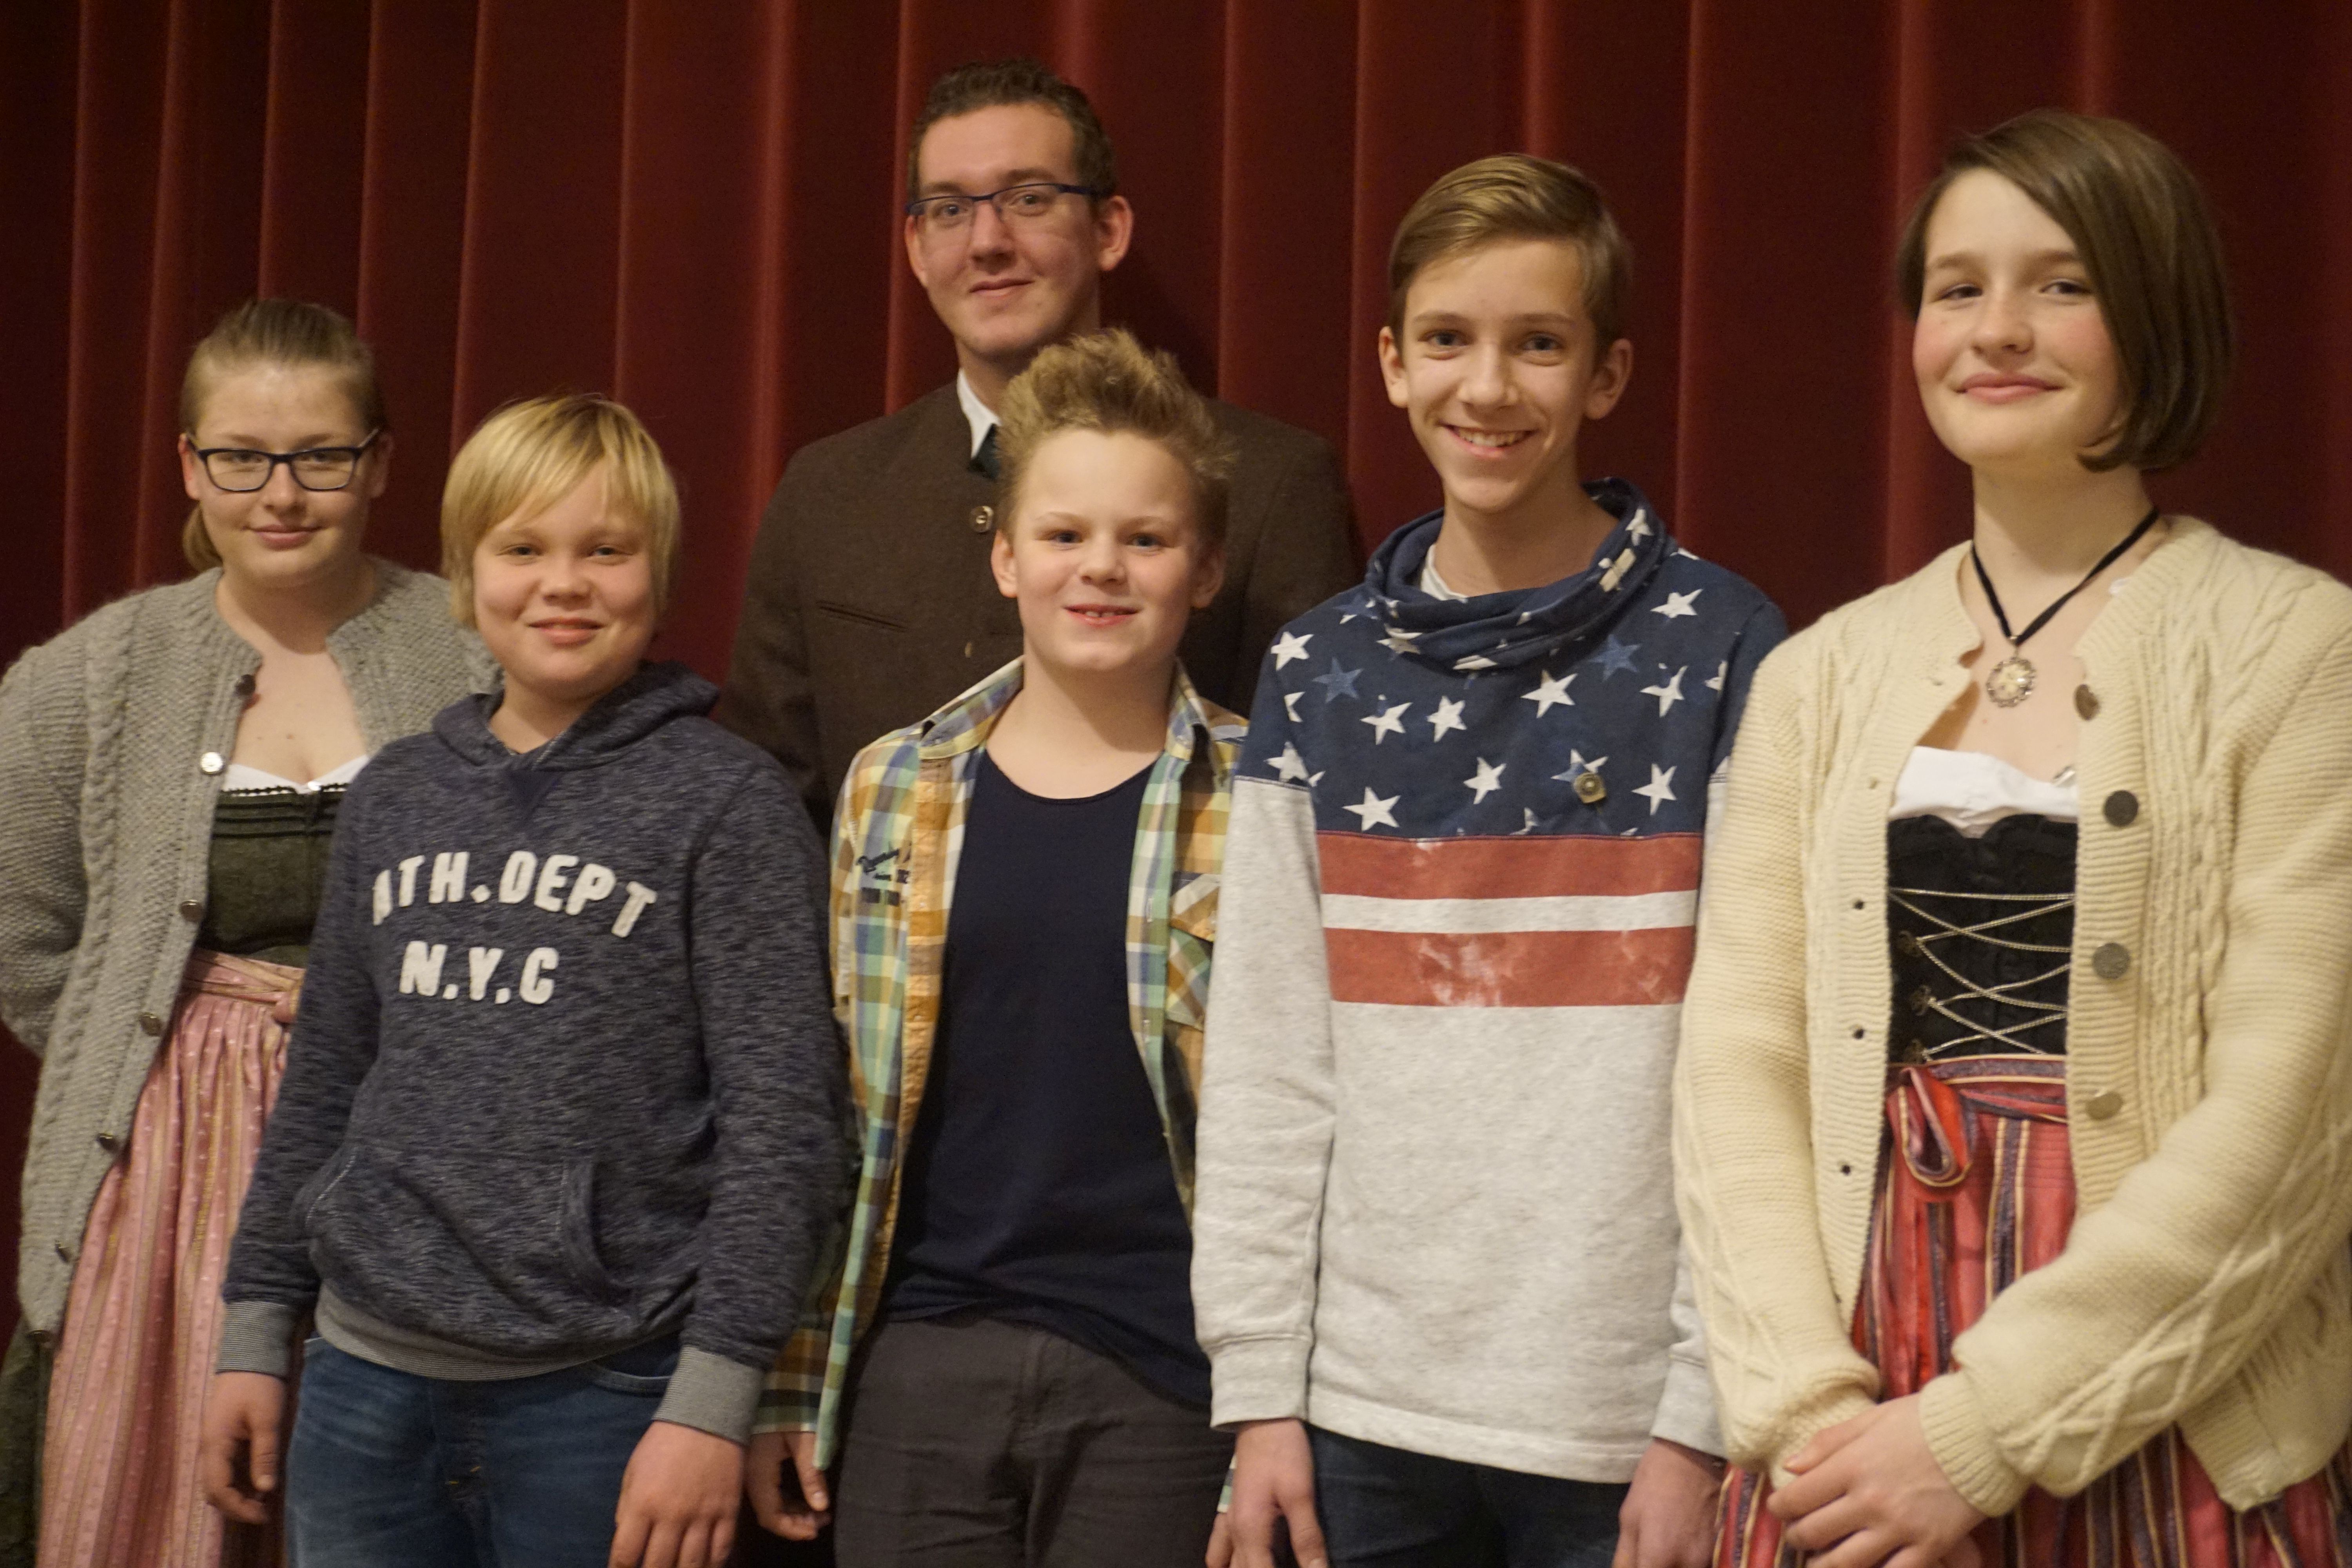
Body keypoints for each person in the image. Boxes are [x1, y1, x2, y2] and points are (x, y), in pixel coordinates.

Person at [1676, 110, 2352, 1568]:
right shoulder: (1817, 675)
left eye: (2062, 284)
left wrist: (1986, 1436)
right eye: (1957, 287)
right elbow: (1738, 1060)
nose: (1996, 330)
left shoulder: (2301, 648)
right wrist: (1812, 1422)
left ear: (2155, 314)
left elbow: (2294, 1110)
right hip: (1852, 1406)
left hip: (2170, 1401)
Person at [1191, 155, 1786, 1568]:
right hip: (1358, 1417)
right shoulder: (1317, 671)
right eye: (1449, 340)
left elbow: (1759, 1064)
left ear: (1608, 373)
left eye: (1540, 344)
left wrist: (1700, 1413)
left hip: (1623, 1428)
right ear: (1393, 364)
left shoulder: (1725, 649)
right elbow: (1269, 1062)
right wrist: (1261, 1394)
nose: (1490, 386)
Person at [196, 394, 846, 1568]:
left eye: (607, 551)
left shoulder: (727, 804)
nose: (564, 585)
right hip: (361, 1383)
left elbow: (785, 1129)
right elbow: (327, 1080)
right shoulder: (395, 795)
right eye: (524, 549)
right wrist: (255, 1327)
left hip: (609, 1393)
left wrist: (713, 1400)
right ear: (465, 576)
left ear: (661, 575)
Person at [742, 328, 1243, 1566]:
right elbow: (840, 1106)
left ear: (1206, 570)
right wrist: (795, 1374)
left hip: (1166, 1376)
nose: (1102, 567)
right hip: (923, 1355)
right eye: (1065, 534)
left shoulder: (1266, 798)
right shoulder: (893, 786)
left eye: (1146, 539)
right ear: (1008, 556)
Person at [0, 299, 485, 1568]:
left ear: (380, 463)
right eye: (241, 457)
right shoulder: (81, 680)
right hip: (164, 1174)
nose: (281, 494)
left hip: (418, 1162)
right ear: (188, 465)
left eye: (321, 456)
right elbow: (28, 942)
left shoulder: (474, 655)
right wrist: (187, 1063)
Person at [716, 56, 1357, 826]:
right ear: (916, 248)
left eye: (1028, 199)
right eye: (950, 209)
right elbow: (765, 814)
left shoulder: (1273, 485)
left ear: (1108, 229)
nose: (987, 241)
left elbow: (1311, 797)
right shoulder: (827, 493)